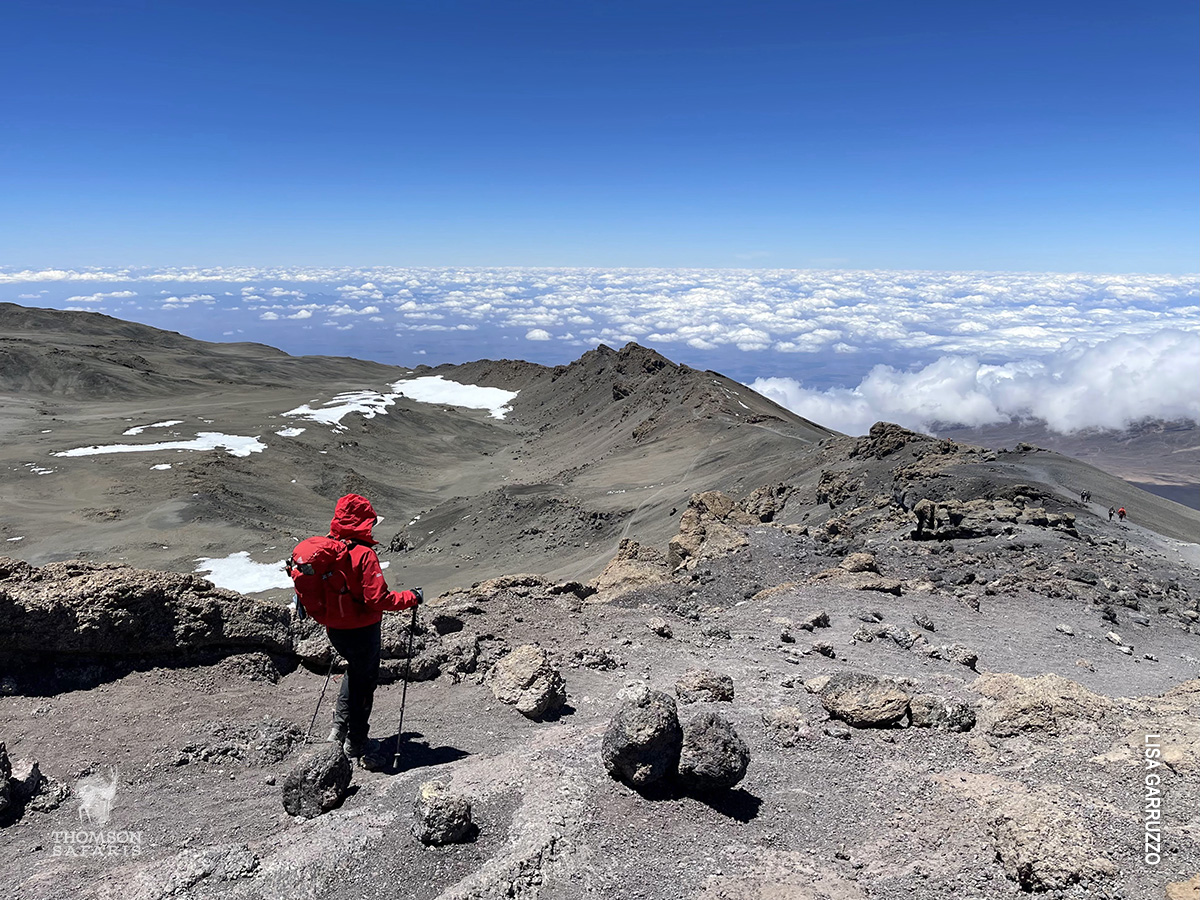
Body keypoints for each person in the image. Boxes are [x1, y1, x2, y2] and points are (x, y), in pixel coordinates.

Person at [321, 493, 422, 762]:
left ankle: (338, 729)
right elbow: (377, 599)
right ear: (363, 521)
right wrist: (411, 597)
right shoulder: (363, 554)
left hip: (335, 629)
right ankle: (356, 742)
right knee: (364, 684)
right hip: (362, 630)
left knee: (353, 672)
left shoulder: (328, 549)